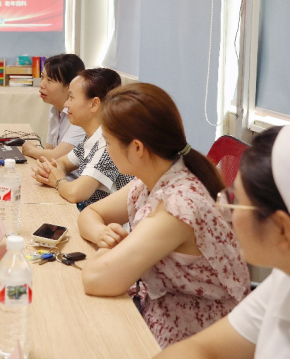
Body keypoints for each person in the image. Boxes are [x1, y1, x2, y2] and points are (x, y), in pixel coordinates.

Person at [78, 83, 250, 349]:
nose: (107, 150)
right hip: (159, 311)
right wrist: (102, 233)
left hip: (195, 339)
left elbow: (95, 279)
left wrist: (107, 250)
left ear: (137, 148)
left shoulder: (178, 206)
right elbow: (90, 212)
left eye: (109, 143)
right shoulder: (152, 178)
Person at [156, 125, 290, 358]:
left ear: (282, 229)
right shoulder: (283, 279)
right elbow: (201, 349)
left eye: (236, 201)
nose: (223, 210)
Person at [32, 68, 133, 207]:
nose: (66, 104)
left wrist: (58, 180)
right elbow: (61, 163)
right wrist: (49, 171)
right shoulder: (91, 137)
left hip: (107, 220)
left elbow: (75, 193)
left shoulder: (109, 143)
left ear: (94, 104)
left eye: (71, 97)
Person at [22, 53, 86, 166]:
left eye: (49, 80)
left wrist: (31, 150)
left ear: (69, 86)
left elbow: (56, 156)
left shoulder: (80, 115)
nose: (42, 84)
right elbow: (49, 151)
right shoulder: (54, 109)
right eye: (42, 77)